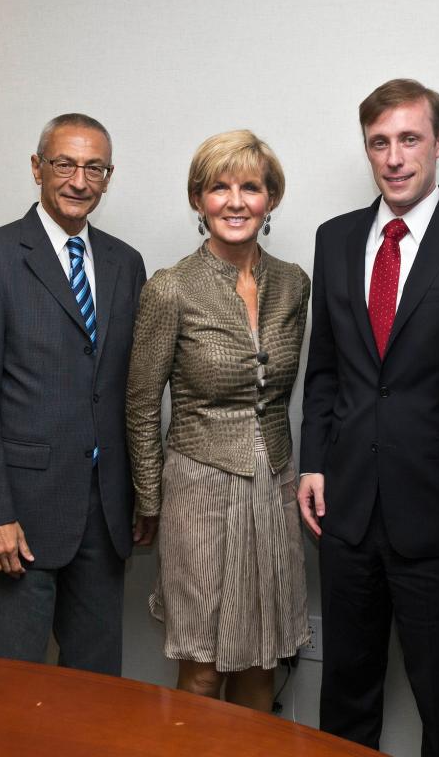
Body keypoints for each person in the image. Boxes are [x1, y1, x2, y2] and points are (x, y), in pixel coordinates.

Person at [298, 79, 439, 755]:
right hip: (346, 511)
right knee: (345, 690)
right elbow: (326, 368)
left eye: (410, 139)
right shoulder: (337, 238)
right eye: (380, 142)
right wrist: (313, 459)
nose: (395, 157)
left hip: (438, 516)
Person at [0, 113, 148, 674]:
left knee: (96, 684)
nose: (79, 181)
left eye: (95, 168)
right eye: (65, 164)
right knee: (10, 687)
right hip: (22, 513)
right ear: (37, 168)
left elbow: (130, 391)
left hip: (105, 513)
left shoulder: (124, 263)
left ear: (109, 176)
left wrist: (138, 495)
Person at [126, 130, 311, 711]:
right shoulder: (170, 287)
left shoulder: (293, 284)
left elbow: (281, 397)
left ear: (270, 198)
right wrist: (149, 499)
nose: (235, 202)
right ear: (198, 199)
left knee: (260, 665)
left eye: (250, 187)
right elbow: (139, 402)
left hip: (273, 488)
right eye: (218, 188)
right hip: (198, 490)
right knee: (203, 671)